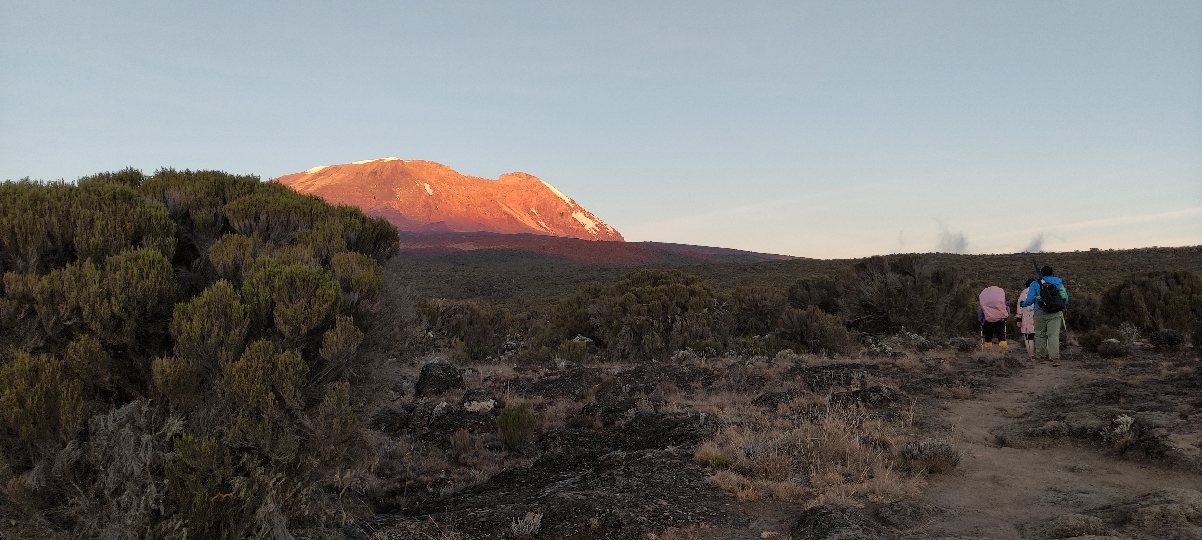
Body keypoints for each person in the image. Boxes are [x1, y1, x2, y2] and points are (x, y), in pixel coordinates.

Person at [1021, 266, 1069, 366]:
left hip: (1040, 312)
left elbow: (1030, 299)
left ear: (1041, 273)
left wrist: (1023, 304)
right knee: (1053, 335)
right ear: (1052, 273)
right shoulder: (1058, 283)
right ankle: (1055, 358)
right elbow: (1065, 297)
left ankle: (1041, 357)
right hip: (1056, 312)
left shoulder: (1035, 284)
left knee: (1039, 334)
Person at [978, 285, 1009, 351]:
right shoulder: (1001, 300)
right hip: (1000, 319)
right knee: (1001, 335)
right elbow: (1007, 309)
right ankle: (1004, 350)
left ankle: (988, 350)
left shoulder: (984, 302)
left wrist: (980, 320)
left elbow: (980, 311)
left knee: (988, 335)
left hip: (988, 320)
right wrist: (1005, 318)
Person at [1016, 278, 1036, 360]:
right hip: (1039, 316)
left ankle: (1031, 355)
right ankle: (1043, 355)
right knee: (1042, 336)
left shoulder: (1024, 293)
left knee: (1029, 337)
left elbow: (1019, 307)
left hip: (1027, 318)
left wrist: (1019, 319)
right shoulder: (1040, 291)